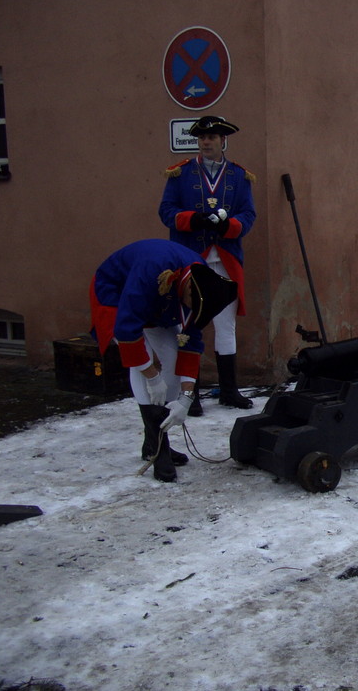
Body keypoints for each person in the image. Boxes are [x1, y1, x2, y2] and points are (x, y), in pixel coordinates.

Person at [90, 239, 238, 482]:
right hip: (116, 294)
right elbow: (128, 332)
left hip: (162, 303)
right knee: (142, 365)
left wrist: (185, 398)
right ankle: (159, 449)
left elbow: (190, 343)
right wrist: (152, 376)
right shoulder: (151, 272)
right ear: (188, 293)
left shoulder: (204, 284)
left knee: (172, 354)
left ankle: (152, 442)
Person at [159, 115, 256, 413]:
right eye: (202, 138)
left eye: (212, 138)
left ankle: (229, 391)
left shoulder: (239, 177)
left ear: (223, 141)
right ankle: (192, 394)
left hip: (225, 262)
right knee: (190, 327)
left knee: (226, 328)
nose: (206, 142)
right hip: (192, 261)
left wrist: (230, 226)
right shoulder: (180, 174)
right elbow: (166, 211)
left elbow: (248, 215)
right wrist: (194, 220)